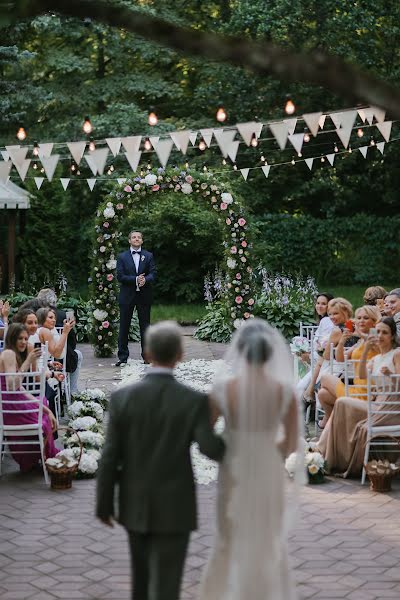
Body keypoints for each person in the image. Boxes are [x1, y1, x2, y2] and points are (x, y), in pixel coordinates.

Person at [96, 321, 225, 600]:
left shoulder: (122, 398)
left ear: (148, 353)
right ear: (180, 355)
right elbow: (211, 449)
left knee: (139, 583)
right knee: (167, 585)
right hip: (175, 504)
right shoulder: (192, 400)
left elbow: (109, 457)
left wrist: (104, 504)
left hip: (134, 500)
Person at [199, 319, 303, 600]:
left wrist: (231, 448)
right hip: (269, 464)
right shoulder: (285, 392)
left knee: (228, 533)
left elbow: (206, 434)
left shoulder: (222, 390)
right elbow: (292, 442)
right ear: (270, 354)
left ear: (241, 352)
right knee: (268, 535)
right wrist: (269, 453)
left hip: (234, 463)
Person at [317, 317, 400, 477]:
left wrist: (391, 375)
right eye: (379, 332)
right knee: (341, 404)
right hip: (376, 403)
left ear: (392, 335)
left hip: (391, 407)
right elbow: (361, 374)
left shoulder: (396, 353)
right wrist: (366, 349)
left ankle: (327, 455)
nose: (381, 336)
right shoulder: (376, 358)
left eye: (385, 332)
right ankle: (327, 455)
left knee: (341, 402)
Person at [0, 323, 57, 472]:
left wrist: (46, 410)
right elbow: (12, 386)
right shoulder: (8, 354)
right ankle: (47, 458)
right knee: (43, 410)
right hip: (11, 408)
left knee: (43, 401)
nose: (24, 342)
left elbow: (20, 389)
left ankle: (34, 459)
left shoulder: (12, 354)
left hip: (14, 403)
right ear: (12, 339)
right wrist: (28, 362)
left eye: (26, 338)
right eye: (20, 338)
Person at [316, 305, 380, 428]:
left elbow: (374, 344)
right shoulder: (362, 341)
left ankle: (332, 423)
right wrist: (342, 341)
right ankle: (330, 423)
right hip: (358, 388)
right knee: (323, 394)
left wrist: (360, 334)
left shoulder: (376, 338)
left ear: (374, 321)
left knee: (324, 378)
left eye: (365, 318)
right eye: (359, 318)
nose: (360, 321)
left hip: (366, 392)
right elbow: (341, 358)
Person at [116, 230, 156, 366]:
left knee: (145, 327)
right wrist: (135, 279)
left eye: (139, 237)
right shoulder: (122, 257)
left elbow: (153, 273)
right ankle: (122, 356)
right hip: (127, 296)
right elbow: (120, 276)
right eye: (134, 237)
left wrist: (146, 279)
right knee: (124, 326)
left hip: (144, 296)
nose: (136, 239)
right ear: (129, 240)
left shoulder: (148, 256)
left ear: (142, 241)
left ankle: (147, 356)